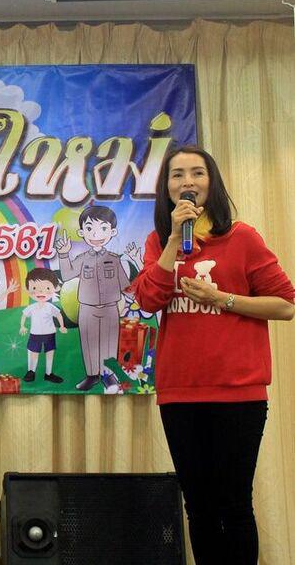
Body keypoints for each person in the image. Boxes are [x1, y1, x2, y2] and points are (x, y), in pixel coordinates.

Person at [132, 145, 295, 565]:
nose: (187, 182)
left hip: (238, 394)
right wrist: (173, 240)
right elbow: (148, 300)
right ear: (167, 188)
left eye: (197, 173)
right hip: (180, 393)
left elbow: (285, 305)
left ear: (212, 182)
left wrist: (221, 298)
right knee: (199, 507)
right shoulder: (159, 241)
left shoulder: (242, 237)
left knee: (234, 505)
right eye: (177, 175)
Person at [55, 204, 131, 391]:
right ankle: (91, 376)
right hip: (87, 309)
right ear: (82, 232)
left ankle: (108, 376)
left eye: (103, 228)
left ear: (112, 232)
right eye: (90, 228)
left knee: (109, 343)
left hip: (110, 308)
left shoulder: (114, 259)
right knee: (89, 343)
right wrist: (63, 255)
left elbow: (125, 285)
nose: (96, 234)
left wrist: (132, 301)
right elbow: (67, 275)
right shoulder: (82, 259)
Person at [18, 267, 67, 384]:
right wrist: (22, 326)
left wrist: (62, 326)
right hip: (35, 334)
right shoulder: (32, 307)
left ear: (54, 288)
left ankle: (48, 374)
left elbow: (58, 315)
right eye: (35, 288)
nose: (41, 292)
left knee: (50, 353)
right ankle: (31, 372)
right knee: (33, 353)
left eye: (47, 288)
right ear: (28, 289)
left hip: (50, 334)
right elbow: (24, 315)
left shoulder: (50, 307)